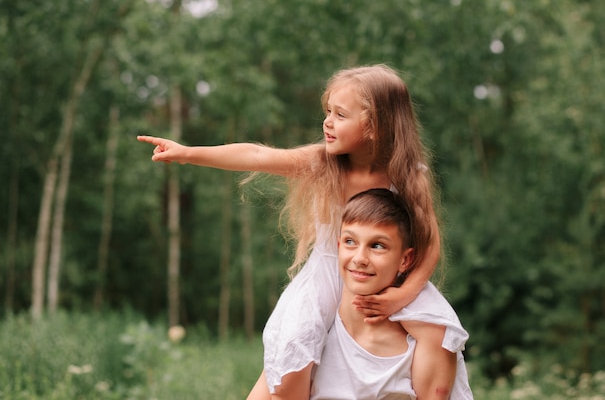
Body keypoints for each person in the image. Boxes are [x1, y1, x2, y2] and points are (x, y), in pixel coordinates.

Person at [138, 64, 443, 400]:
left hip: (385, 279)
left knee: (440, 332)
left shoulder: (409, 176)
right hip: (326, 276)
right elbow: (256, 154)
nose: (327, 122)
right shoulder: (322, 162)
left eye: (340, 115)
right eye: (328, 111)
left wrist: (402, 296)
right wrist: (188, 154)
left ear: (374, 126)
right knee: (289, 363)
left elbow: (430, 245)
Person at [309, 188, 472, 400]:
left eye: (377, 246)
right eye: (350, 242)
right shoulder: (313, 324)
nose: (359, 258)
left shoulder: (428, 335)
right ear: (339, 246)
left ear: (405, 260)